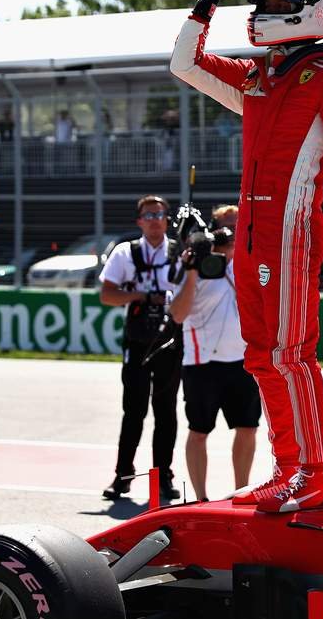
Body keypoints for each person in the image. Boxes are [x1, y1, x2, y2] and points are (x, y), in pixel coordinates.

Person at [171, 0, 323, 513]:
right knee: (261, 357)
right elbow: (183, 62)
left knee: (291, 356)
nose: (261, 14)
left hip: (294, 233)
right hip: (251, 237)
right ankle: (287, 469)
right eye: (259, 4)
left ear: (312, 9)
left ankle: (311, 473)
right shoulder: (260, 78)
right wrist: (206, 2)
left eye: (276, 5)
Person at [99, 195, 184, 501]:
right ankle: (122, 476)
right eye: (148, 215)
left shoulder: (179, 252)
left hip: (171, 341)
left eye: (159, 214)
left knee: (166, 412)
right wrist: (143, 297)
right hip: (137, 342)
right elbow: (107, 295)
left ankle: (163, 475)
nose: (154, 220)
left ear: (167, 219)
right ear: (139, 221)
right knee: (133, 411)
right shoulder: (126, 252)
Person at [170, 219, 261, 502]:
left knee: (247, 428)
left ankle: (241, 491)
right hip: (202, 364)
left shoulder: (246, 268)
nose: (225, 252)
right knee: (198, 431)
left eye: (230, 244)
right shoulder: (190, 269)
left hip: (243, 362)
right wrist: (193, 272)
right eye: (220, 246)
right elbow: (178, 315)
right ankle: (200, 497)